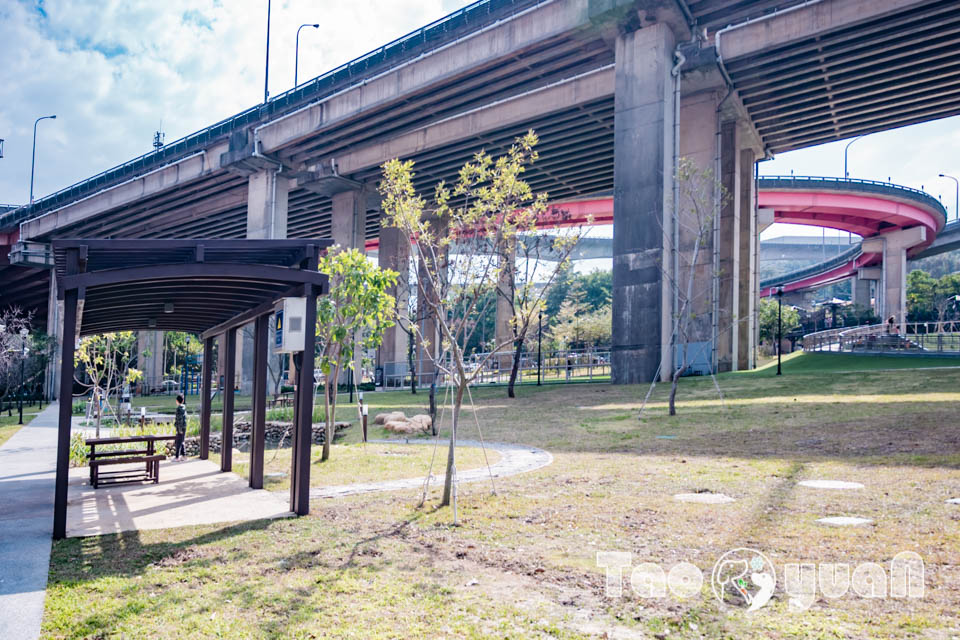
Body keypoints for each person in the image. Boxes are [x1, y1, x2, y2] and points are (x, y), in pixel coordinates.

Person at [173, 394, 187, 461]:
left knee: (178, 442)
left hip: (180, 428)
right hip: (184, 427)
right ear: (183, 400)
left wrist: (179, 429)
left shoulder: (179, 409)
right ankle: (184, 456)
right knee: (182, 441)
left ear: (176, 401)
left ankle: (177, 457)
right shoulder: (183, 408)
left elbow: (179, 420)